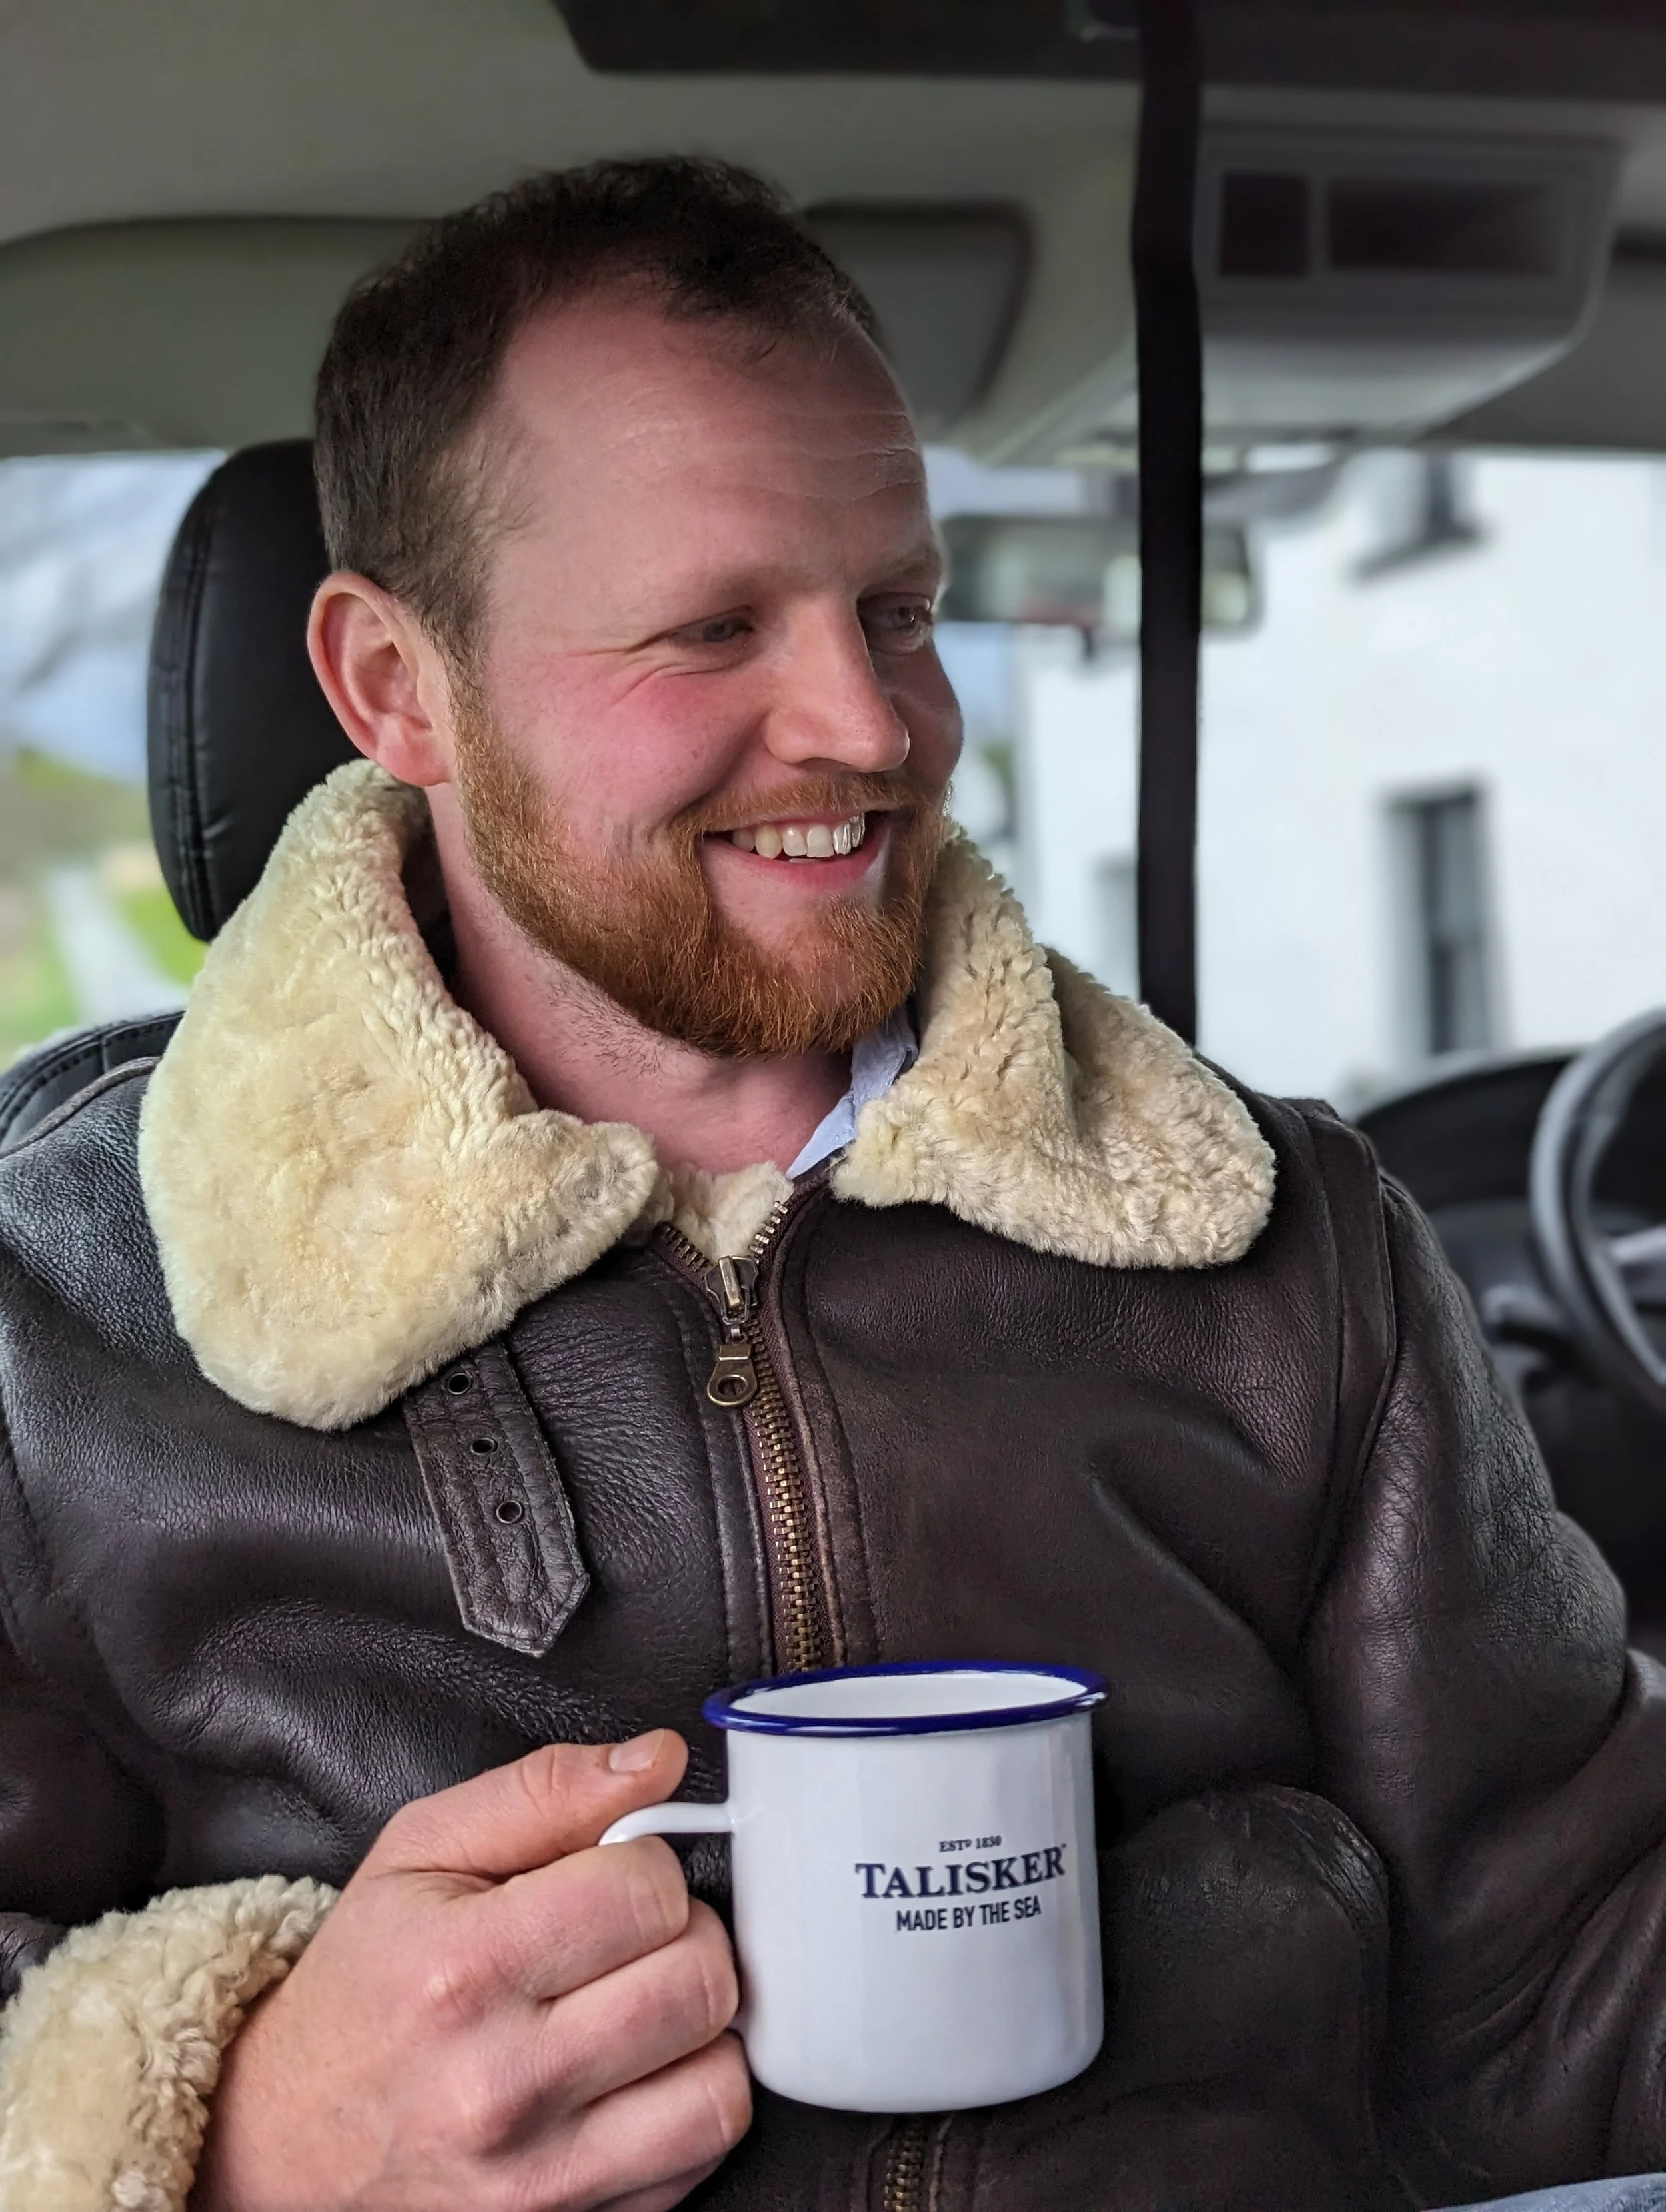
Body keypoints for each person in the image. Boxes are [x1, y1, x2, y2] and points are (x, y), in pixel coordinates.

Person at [0, 157, 1664, 2212]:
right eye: (711, 628)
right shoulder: (58, 1293)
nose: (868, 723)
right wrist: (232, 2143)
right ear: (390, 690)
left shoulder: (1274, 1242)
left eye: (895, 608)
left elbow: (1570, 1990)